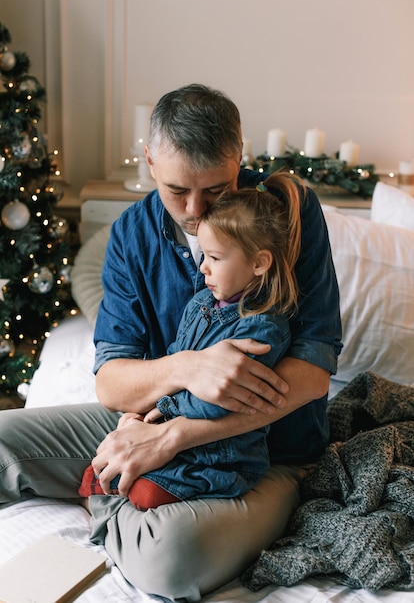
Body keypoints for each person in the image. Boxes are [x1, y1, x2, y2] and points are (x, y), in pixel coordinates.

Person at [0, 84, 342, 602]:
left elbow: (314, 374)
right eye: (177, 190)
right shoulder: (131, 234)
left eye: (216, 190)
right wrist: (185, 370)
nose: (195, 209)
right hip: (151, 417)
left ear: (239, 157)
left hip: (267, 449)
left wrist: (176, 436)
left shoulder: (288, 212)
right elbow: (112, 383)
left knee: (171, 561)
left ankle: (106, 500)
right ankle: (123, 491)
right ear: (150, 160)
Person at [79, 179, 312, 509]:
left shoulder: (264, 329)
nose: (202, 267)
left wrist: (164, 411)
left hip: (220, 453)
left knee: (143, 493)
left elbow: (223, 400)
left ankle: (123, 510)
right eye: (204, 255)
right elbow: (176, 356)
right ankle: (111, 504)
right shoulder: (201, 303)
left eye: (215, 258)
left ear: (259, 263)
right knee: (99, 469)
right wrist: (140, 413)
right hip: (171, 427)